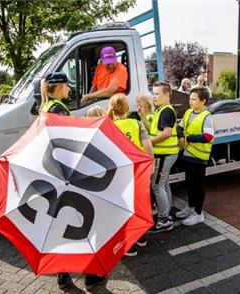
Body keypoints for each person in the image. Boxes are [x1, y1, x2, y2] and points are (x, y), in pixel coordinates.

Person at [39, 73, 106, 290]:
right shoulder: (58, 109)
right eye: (68, 85)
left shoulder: (45, 106)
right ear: (58, 87)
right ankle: (91, 276)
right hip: (68, 173)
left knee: (61, 224)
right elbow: (68, 143)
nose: (70, 89)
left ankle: (63, 275)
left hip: (53, 172)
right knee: (85, 223)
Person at [104, 93, 153, 256]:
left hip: (119, 171)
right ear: (128, 108)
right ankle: (141, 237)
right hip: (137, 168)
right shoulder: (136, 123)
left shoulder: (108, 126)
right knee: (138, 203)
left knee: (123, 207)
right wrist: (150, 164)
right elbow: (147, 145)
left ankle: (129, 244)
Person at [175, 86, 215, 226]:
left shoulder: (207, 116)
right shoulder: (188, 112)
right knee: (190, 184)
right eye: (189, 99)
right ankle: (190, 207)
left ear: (203, 101)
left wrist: (189, 138)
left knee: (198, 186)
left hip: (199, 157)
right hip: (188, 155)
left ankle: (198, 214)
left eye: (193, 99)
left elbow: (208, 136)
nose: (190, 102)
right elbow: (180, 127)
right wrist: (181, 136)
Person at [147, 81, 179, 233]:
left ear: (166, 95)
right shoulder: (161, 110)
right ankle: (166, 215)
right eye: (153, 93)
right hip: (166, 153)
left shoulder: (166, 111)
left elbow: (166, 133)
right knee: (164, 185)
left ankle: (163, 220)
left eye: (157, 94)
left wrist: (148, 142)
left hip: (165, 154)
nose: (154, 96)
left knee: (157, 186)